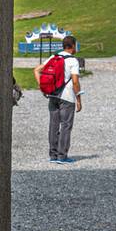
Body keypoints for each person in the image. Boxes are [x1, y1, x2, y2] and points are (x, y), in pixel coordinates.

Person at [35, 34, 81, 162]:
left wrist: (42, 87)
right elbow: (76, 82)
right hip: (67, 97)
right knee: (66, 125)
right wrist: (79, 100)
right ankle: (62, 156)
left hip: (52, 95)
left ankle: (53, 155)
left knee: (53, 125)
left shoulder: (54, 57)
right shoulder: (73, 61)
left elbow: (36, 70)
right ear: (72, 46)